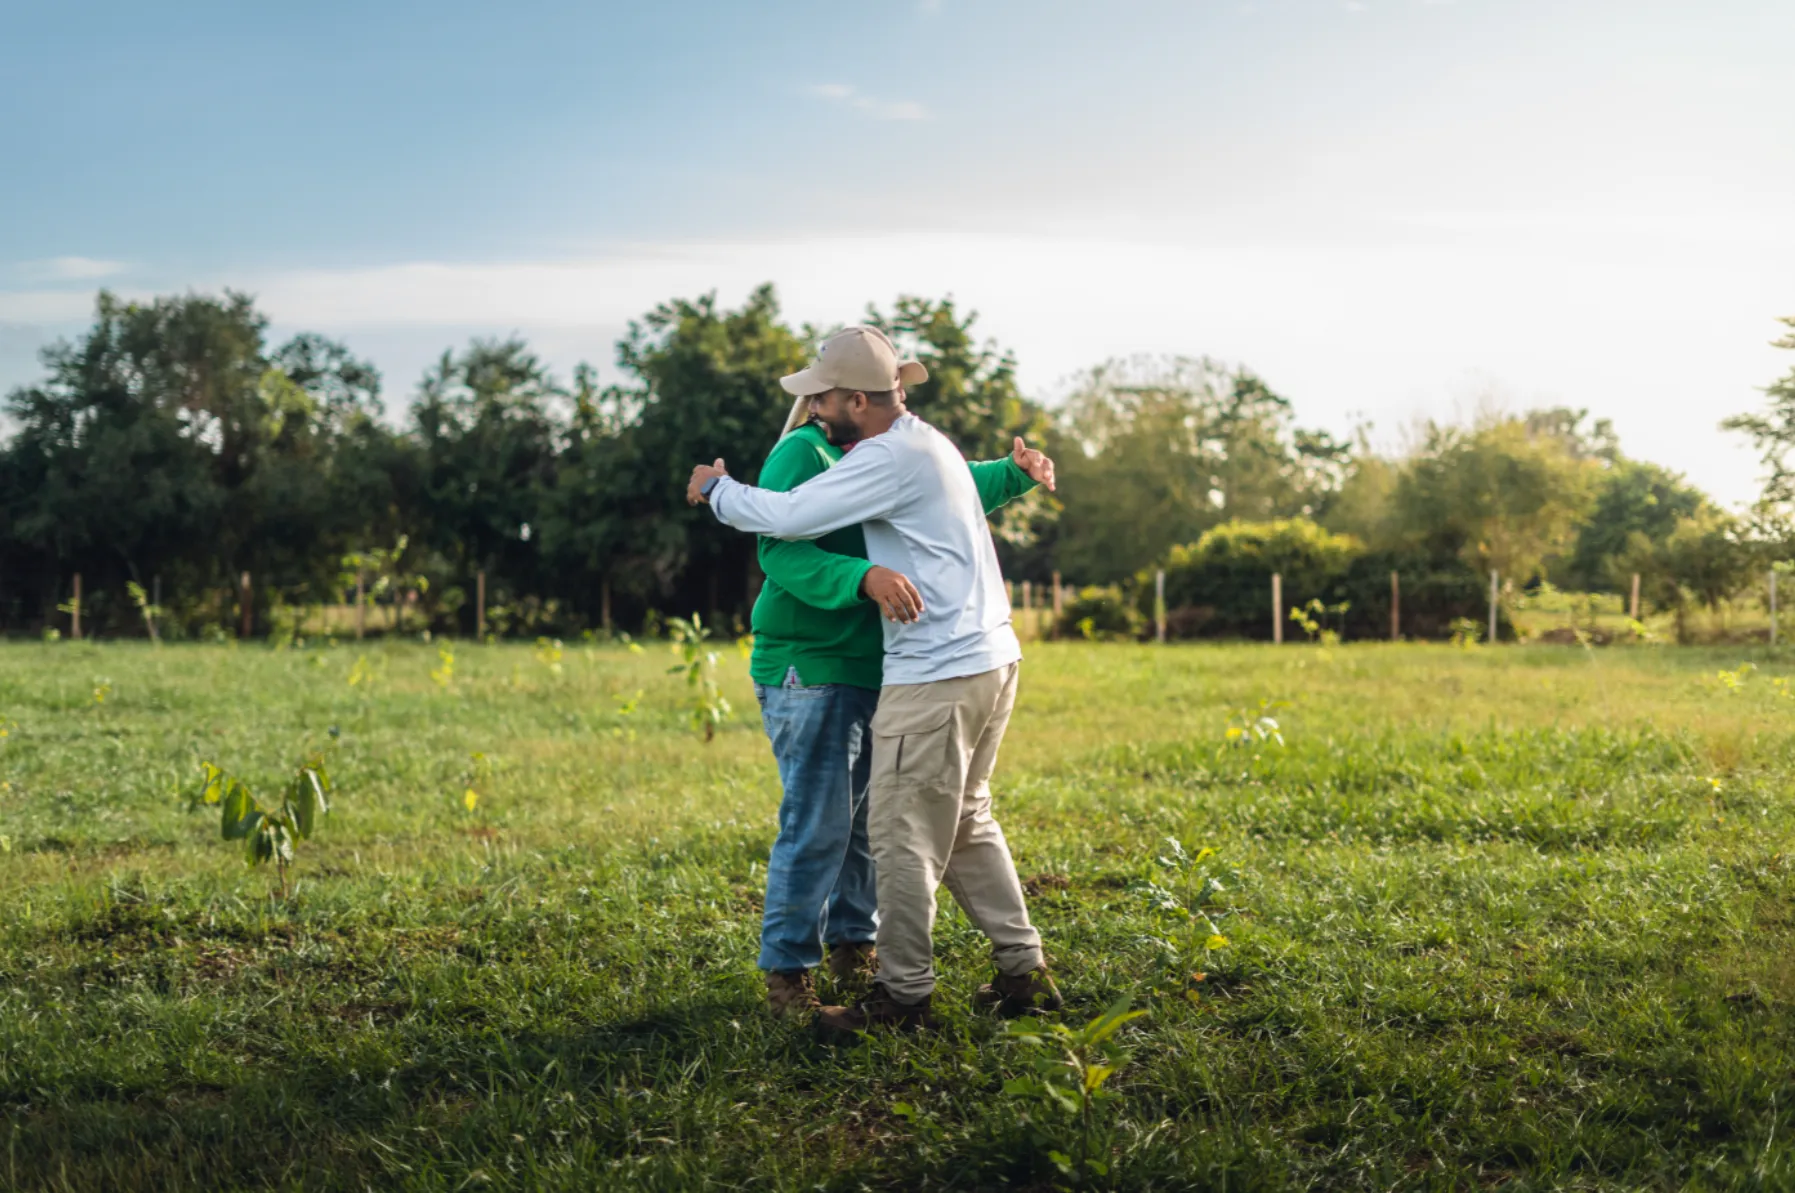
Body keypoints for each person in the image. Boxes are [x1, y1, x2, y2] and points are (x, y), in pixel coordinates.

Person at [688, 325, 1063, 1035]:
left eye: (823, 397)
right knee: (965, 819)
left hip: (937, 672)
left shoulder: (884, 456)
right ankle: (1023, 972)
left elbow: (788, 516)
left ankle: (903, 997)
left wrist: (716, 489)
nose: (813, 408)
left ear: (856, 400)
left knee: (899, 836)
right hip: (990, 656)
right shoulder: (927, 442)